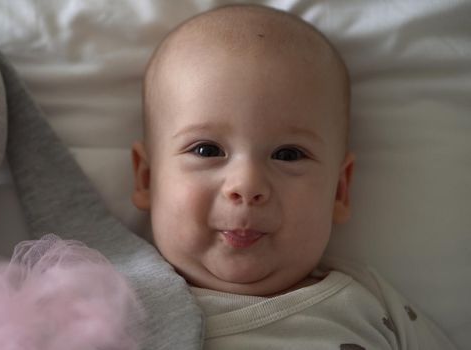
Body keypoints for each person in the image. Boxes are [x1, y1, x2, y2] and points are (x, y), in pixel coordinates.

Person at [131, 4, 456, 349]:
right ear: (147, 178)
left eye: (288, 155)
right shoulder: (117, 301)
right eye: (207, 150)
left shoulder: (370, 307)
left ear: (339, 191)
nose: (247, 185)